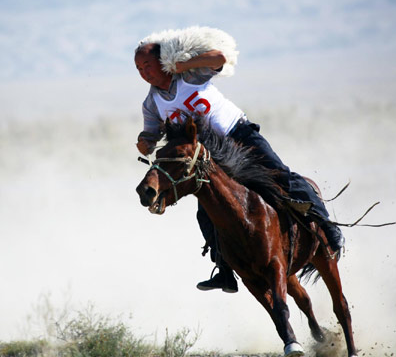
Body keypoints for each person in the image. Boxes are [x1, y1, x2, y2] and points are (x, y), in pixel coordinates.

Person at [134, 27, 344, 293]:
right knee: (208, 212)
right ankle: (224, 271)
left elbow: (219, 58)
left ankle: (328, 233)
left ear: (161, 61)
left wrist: (184, 63)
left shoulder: (189, 76)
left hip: (239, 135)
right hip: (211, 158)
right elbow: (150, 137)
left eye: (147, 65)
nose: (144, 72)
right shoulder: (151, 103)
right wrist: (144, 142)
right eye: (139, 68)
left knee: (282, 177)